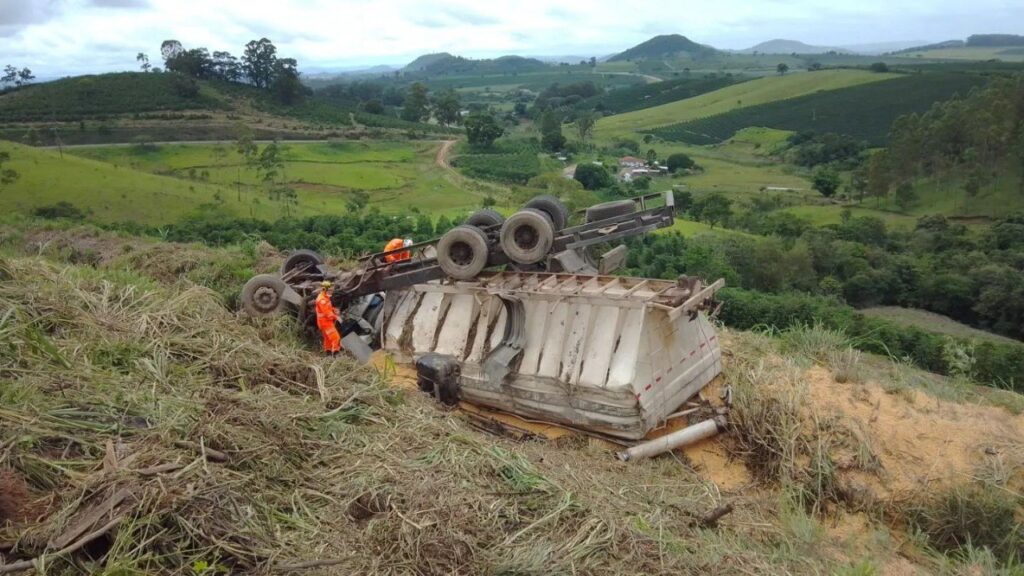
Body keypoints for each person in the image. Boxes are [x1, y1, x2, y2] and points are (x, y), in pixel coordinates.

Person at [315, 280, 342, 354]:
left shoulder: (325, 297)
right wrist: (337, 317)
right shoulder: (322, 300)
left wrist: (334, 309)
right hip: (325, 323)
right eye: (330, 290)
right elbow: (327, 313)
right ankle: (336, 355)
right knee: (336, 338)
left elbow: (328, 308)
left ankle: (328, 354)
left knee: (328, 340)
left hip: (324, 322)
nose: (331, 292)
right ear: (325, 289)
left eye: (332, 290)